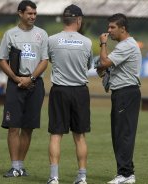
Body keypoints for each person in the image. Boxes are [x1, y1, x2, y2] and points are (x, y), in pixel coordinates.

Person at [0, 0, 48, 178]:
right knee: (13, 126)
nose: (33, 17)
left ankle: (21, 165)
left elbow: (44, 60)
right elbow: (2, 59)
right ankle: (14, 166)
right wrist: (16, 78)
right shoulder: (10, 34)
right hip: (15, 83)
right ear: (20, 13)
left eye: (34, 13)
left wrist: (31, 78)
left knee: (28, 127)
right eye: (29, 13)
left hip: (35, 84)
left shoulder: (42, 34)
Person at [47, 4, 93, 184]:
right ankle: (82, 177)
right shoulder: (87, 42)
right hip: (80, 91)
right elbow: (88, 66)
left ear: (64, 19)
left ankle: (54, 177)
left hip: (59, 90)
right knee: (80, 136)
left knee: (56, 135)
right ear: (79, 20)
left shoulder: (52, 40)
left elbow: (50, 59)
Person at [96, 13, 142, 184]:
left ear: (123, 28)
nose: (108, 31)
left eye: (112, 27)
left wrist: (102, 43)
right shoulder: (125, 45)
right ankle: (127, 173)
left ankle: (124, 174)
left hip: (126, 93)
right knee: (120, 133)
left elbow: (105, 62)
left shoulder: (127, 45)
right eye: (108, 27)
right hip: (123, 93)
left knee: (122, 134)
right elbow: (105, 67)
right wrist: (103, 69)